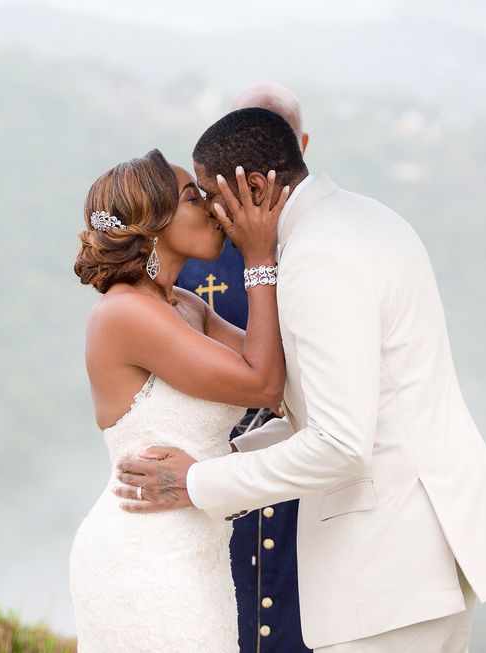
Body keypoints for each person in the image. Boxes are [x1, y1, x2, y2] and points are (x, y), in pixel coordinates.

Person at [116, 109, 486, 652]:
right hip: (430, 553)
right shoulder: (366, 219)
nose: (215, 219)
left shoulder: (317, 258)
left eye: (212, 198)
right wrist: (227, 452)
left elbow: (339, 443)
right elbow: (348, 404)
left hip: (386, 567)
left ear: (257, 188)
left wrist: (198, 484)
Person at [68, 148, 291, 652]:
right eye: (195, 197)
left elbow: (285, 375)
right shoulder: (123, 313)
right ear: (154, 222)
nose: (213, 208)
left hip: (198, 551)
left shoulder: (185, 305)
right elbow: (262, 384)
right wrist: (257, 258)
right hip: (143, 555)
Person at [175, 81, 312, 652]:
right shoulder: (193, 259)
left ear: (296, 145)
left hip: (310, 490)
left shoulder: (316, 246)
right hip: (213, 484)